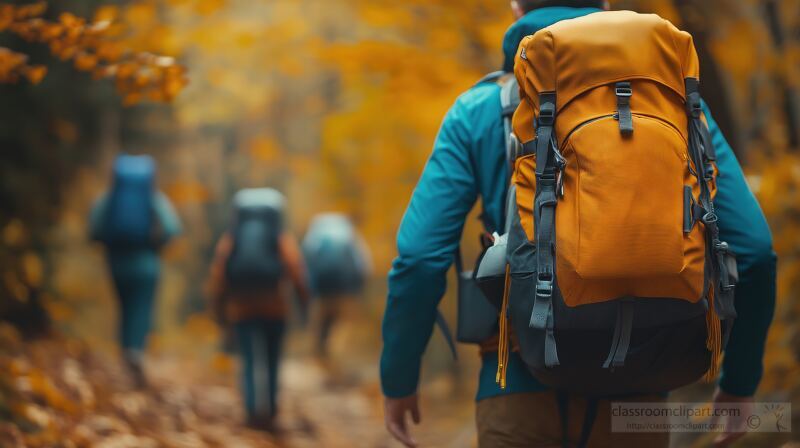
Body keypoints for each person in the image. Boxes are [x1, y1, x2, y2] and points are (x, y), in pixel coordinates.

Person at [380, 1, 777, 447]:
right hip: (639, 394)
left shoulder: (477, 110)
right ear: (604, 5)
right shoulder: (680, 109)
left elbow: (418, 259)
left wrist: (398, 377)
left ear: (516, 8)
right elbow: (756, 251)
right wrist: (741, 380)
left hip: (517, 391)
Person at [208, 188, 310, 431]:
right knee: (273, 360)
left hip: (242, 310)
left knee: (250, 360)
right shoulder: (280, 239)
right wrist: (304, 304)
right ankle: (272, 410)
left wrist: (219, 312)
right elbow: (297, 272)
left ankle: (253, 410)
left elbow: (219, 278)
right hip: (276, 309)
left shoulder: (231, 240)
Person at [90, 153, 182, 388]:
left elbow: (94, 228)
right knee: (141, 308)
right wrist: (156, 244)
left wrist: (110, 243)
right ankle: (136, 352)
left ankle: (126, 356)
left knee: (124, 307)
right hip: (147, 262)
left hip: (117, 262)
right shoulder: (153, 198)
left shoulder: (109, 197)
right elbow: (172, 228)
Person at [301, 213, 372, 358]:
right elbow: (364, 265)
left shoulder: (316, 231)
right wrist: (358, 290)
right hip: (345, 291)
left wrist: (308, 289)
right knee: (342, 327)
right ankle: (338, 361)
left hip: (321, 291)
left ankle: (320, 358)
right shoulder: (349, 233)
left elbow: (304, 261)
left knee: (320, 326)